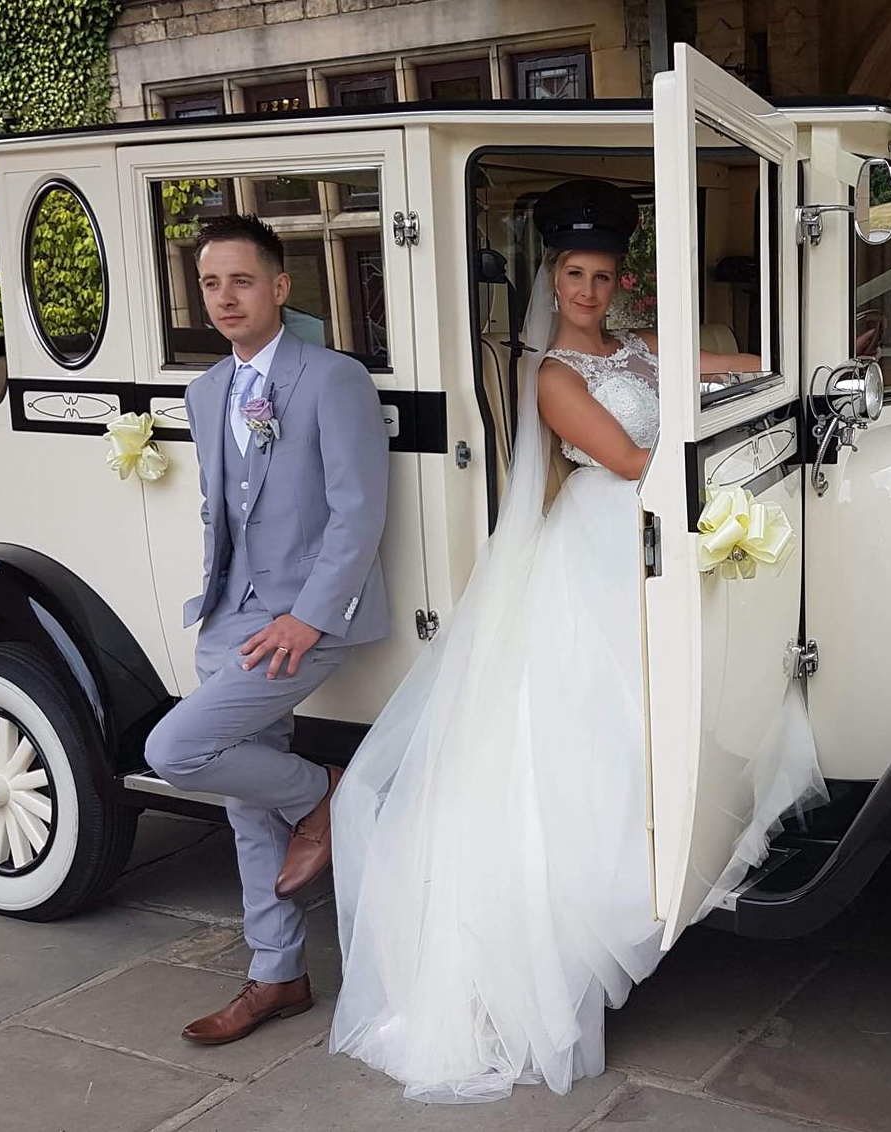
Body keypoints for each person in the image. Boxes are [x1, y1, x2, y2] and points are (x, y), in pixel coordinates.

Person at [329, 178, 824, 1102]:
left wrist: (797, 368)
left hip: (644, 547)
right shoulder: (553, 375)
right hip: (600, 549)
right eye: (575, 274)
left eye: (603, 275)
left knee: (647, 725)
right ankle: (565, 947)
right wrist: (723, 493)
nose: (590, 291)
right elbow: (637, 463)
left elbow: (738, 364)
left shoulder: (638, 347)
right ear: (552, 279)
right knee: (589, 743)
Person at [143, 213, 391, 1046]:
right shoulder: (207, 389)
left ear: (280, 287)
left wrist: (307, 616)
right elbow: (222, 510)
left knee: (174, 751)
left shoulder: (334, 378)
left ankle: (326, 791)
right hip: (231, 618)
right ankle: (276, 976)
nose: (224, 298)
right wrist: (216, 605)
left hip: (311, 617)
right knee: (247, 802)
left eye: (241, 281)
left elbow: (359, 515)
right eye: (210, 283)